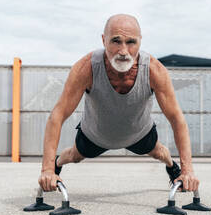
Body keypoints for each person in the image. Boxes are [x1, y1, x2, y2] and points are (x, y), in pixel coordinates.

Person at [38, 14, 199, 193]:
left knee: (160, 153)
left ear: (140, 41)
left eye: (131, 42)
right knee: (74, 156)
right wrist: (47, 169)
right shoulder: (86, 68)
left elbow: (177, 118)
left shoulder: (154, 70)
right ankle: (57, 163)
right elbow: (58, 115)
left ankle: (172, 167)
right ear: (103, 40)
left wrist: (188, 171)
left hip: (139, 133)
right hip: (96, 134)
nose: (123, 51)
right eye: (116, 41)